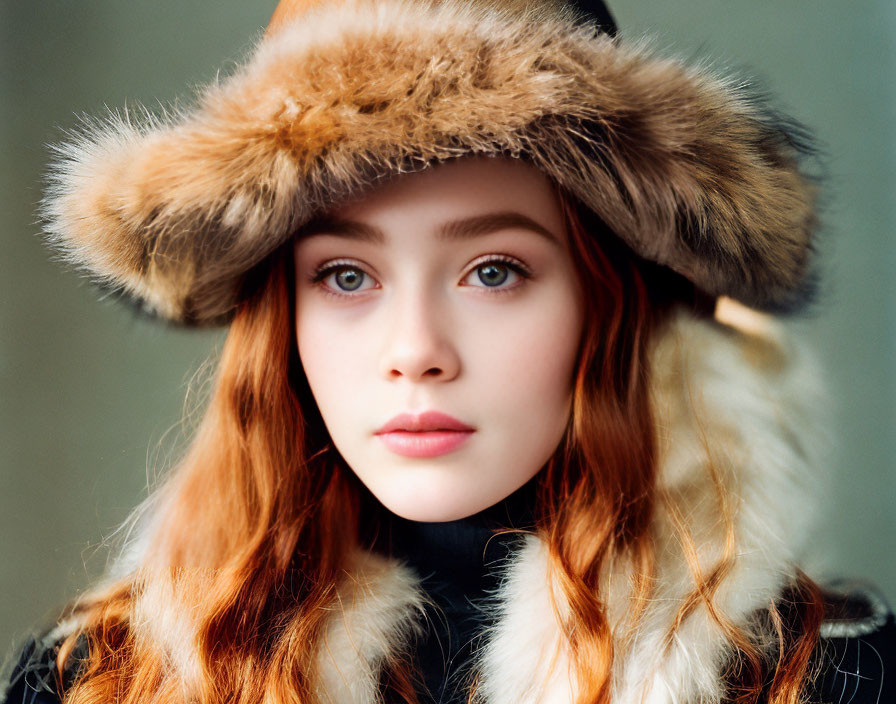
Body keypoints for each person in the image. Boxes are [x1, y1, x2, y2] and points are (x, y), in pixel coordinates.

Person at [3, 0, 894, 703]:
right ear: (282, 323)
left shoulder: (820, 678)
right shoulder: (94, 681)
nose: (416, 352)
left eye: (494, 270)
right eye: (346, 277)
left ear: (609, 302)